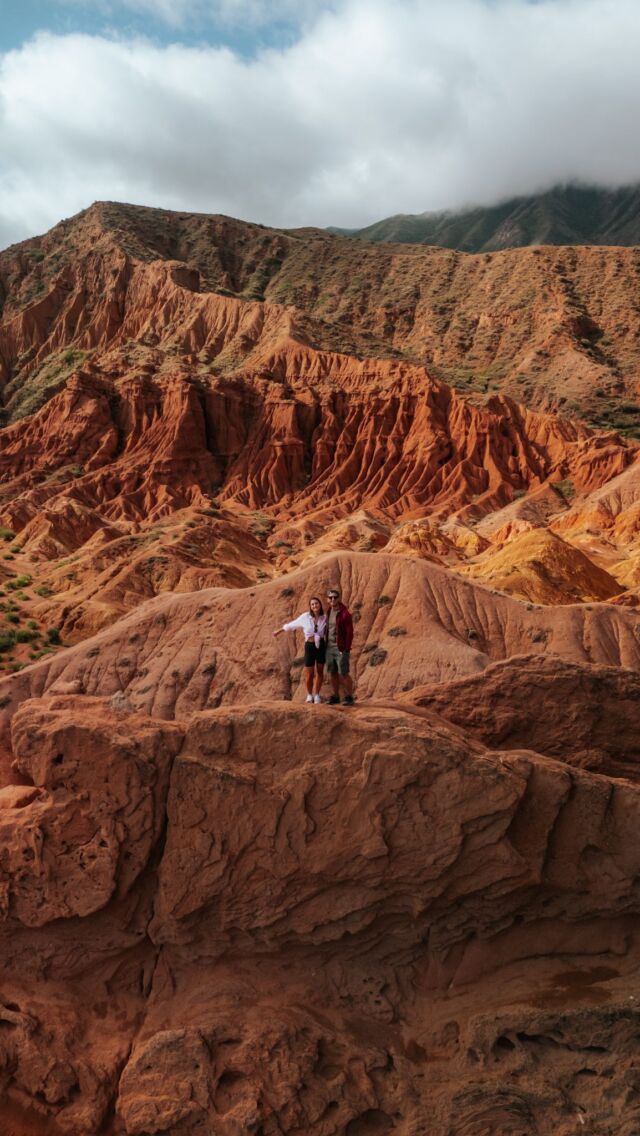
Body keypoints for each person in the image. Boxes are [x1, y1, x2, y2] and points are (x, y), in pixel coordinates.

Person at [273, 596, 327, 703]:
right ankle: (309, 695)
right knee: (309, 673)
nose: (315, 605)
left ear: (320, 605)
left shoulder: (324, 617)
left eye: (316, 603)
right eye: (312, 604)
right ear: (310, 607)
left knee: (320, 672)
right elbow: (291, 625)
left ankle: (317, 695)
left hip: (321, 645)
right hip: (310, 646)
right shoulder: (305, 617)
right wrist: (278, 631)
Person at [325, 587, 354, 705]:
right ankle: (336, 696)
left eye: (335, 597)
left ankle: (349, 697)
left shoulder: (345, 614)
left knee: (344, 673)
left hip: (341, 648)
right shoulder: (328, 612)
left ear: (339, 599)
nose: (333, 599)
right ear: (327, 600)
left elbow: (349, 632)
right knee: (332, 672)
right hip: (329, 648)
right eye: (330, 597)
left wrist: (346, 649)